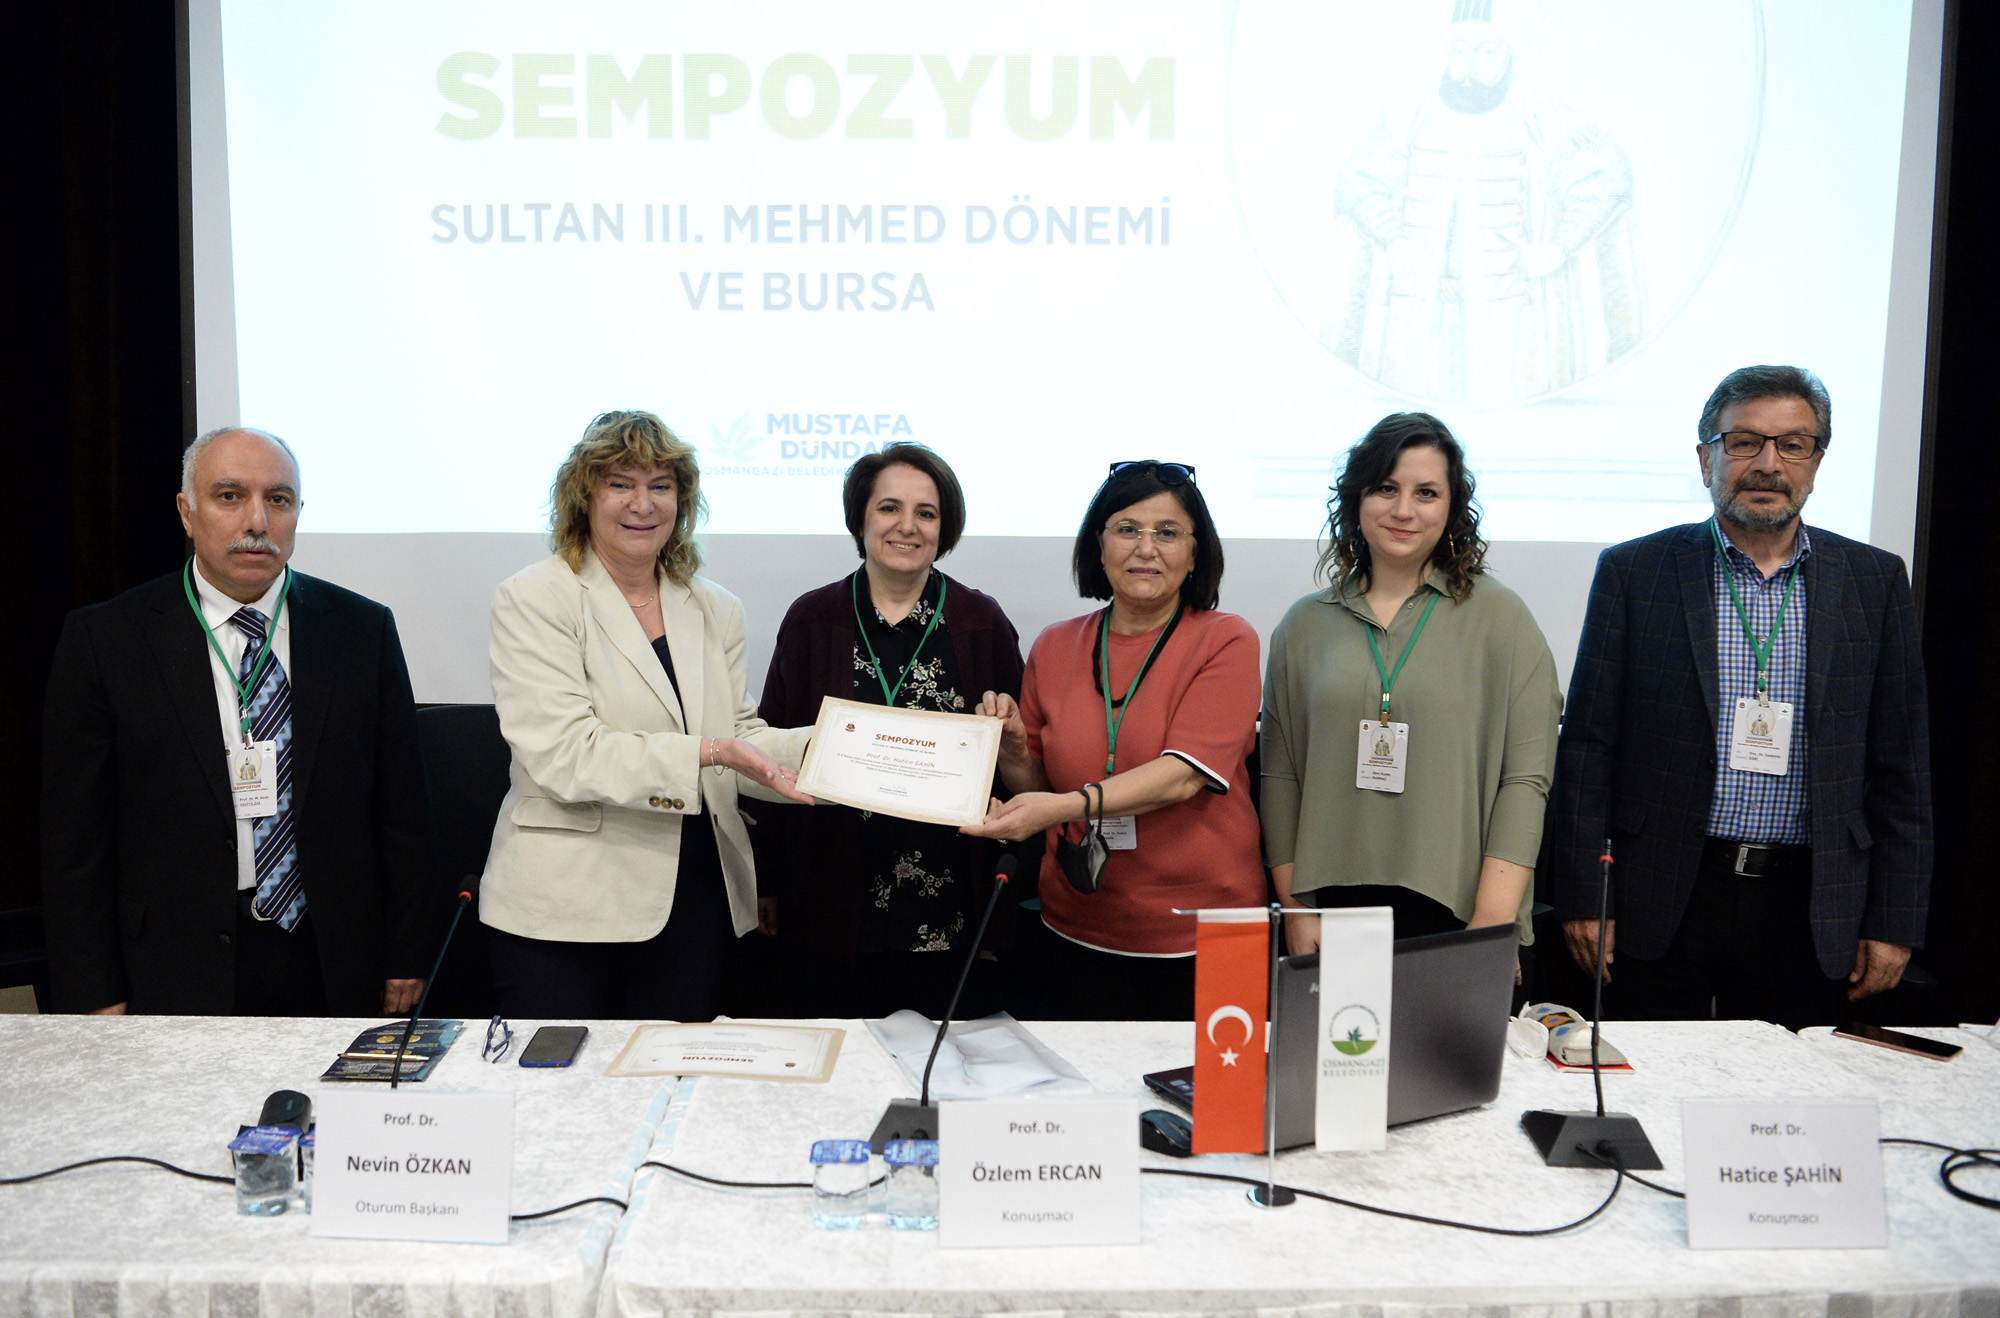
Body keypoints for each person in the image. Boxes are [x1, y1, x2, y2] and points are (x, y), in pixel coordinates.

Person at [1551, 366, 1932, 1029]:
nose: (1768, 464)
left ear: (1816, 463)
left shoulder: (1873, 581)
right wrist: (1585, 898)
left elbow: (1903, 767)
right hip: (1663, 892)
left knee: (1790, 1087)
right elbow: (1587, 749)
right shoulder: (1634, 572)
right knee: (1655, 1077)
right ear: (1707, 459)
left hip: (1811, 901)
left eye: (1793, 445)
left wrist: (1894, 920)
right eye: (1744, 442)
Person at [41, 427, 433, 1016]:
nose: (257, 521)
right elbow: (74, 838)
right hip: (171, 961)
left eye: (279, 499)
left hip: (332, 954)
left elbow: (402, 811)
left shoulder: (361, 630)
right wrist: (93, 987)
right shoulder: (107, 638)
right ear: (186, 511)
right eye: (230, 496)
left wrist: (407, 953)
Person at [479, 410, 814, 1020]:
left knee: (673, 1075)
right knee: (564, 1078)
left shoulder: (715, 607)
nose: (643, 504)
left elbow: (741, 738)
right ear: (583, 496)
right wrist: (712, 752)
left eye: (661, 486)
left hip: (695, 900)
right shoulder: (534, 597)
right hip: (566, 910)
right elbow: (566, 754)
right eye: (620, 484)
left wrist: (848, 749)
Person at [966, 462, 1263, 1020]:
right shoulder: (1055, 646)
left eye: (1167, 532)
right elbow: (1040, 788)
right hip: (1075, 927)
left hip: (1205, 933)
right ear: (1098, 546)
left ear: (1195, 553)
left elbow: (1182, 776)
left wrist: (1064, 806)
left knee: (1209, 1082)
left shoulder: (1226, 640)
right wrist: (1014, 752)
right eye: (1127, 529)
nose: (1146, 548)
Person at [1262, 414, 1561, 967]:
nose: (1404, 510)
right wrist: (1297, 912)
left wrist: (1491, 926)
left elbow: (1525, 780)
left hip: (1460, 910)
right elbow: (1280, 779)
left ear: (1452, 507)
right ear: (1356, 498)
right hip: (1329, 910)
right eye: (1385, 488)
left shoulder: (1502, 618)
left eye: (1426, 492)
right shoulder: (1303, 625)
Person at [751, 444, 1024, 1019]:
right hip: (830, 903)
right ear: (861, 518)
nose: (907, 525)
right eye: (889, 508)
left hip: (950, 907)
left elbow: (1017, 760)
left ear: (944, 528)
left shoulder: (980, 623)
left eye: (926, 513)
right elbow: (771, 754)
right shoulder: (812, 619)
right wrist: (766, 881)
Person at [1325, 2, 1640, 403]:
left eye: (1486, 51)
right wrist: (1393, 239)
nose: (1469, 66)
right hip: (1418, 318)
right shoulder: (1412, 110)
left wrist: (1560, 248)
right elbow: (1358, 180)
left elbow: (1607, 179)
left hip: (1513, 322)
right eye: (1460, 50)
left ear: (1509, 53)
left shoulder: (1544, 112)